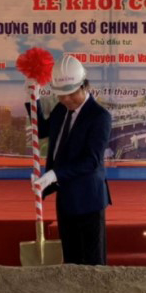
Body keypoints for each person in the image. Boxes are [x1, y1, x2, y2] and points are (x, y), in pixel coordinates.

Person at [30, 55, 112, 265]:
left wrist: (54, 175)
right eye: (60, 95)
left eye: (71, 94)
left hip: (89, 199)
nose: (66, 99)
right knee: (71, 258)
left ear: (84, 86)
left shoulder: (99, 116)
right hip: (65, 197)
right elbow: (41, 130)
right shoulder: (61, 110)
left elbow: (91, 160)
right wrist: (34, 96)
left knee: (93, 262)